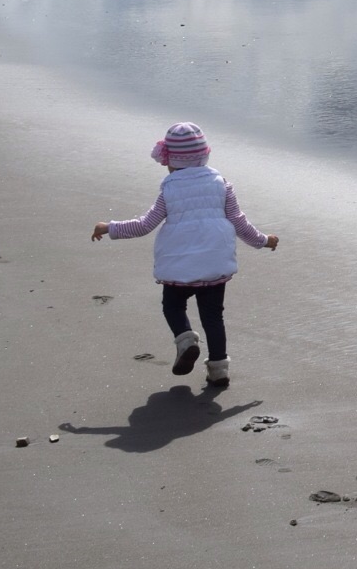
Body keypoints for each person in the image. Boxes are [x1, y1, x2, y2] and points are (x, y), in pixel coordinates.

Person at [91, 122, 278, 389]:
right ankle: (219, 370)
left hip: (179, 265)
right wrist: (264, 241)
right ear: (205, 156)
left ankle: (186, 339)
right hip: (214, 263)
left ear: (170, 161)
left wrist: (110, 228)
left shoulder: (169, 189)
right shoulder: (222, 184)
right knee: (213, 317)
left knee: (173, 306)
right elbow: (239, 223)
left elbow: (145, 225)